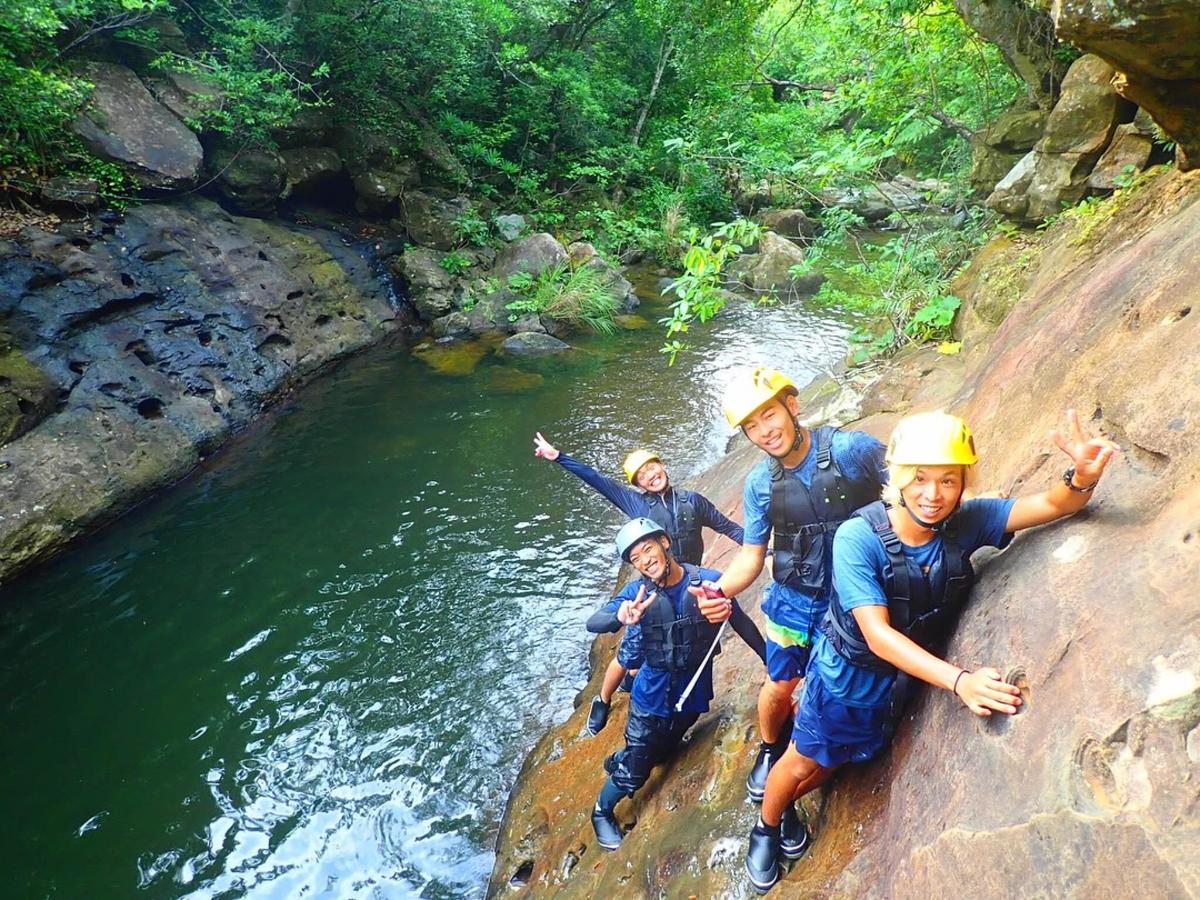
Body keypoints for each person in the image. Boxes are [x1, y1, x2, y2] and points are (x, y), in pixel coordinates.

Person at [744, 409, 1119, 892]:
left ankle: (789, 804)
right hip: (846, 678)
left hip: (897, 681)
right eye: (919, 479)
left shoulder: (967, 521)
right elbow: (877, 634)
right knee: (803, 760)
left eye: (948, 480)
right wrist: (960, 681)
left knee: (838, 760)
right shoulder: (858, 538)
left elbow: (1051, 505)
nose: (933, 494)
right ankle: (768, 824)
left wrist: (1081, 478)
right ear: (897, 477)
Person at [706, 367, 888, 803]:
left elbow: (906, 486)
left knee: (835, 686)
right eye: (752, 426)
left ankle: (809, 757)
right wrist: (718, 592)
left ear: (792, 405)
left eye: (769, 415)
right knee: (779, 684)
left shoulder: (851, 450)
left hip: (851, 601)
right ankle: (770, 749)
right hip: (793, 601)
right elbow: (751, 556)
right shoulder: (760, 485)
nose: (764, 431)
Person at [534, 434, 745, 735]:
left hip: (686, 583)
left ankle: (660, 698)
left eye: (653, 466)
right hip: (652, 591)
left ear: (663, 466)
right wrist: (559, 457)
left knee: (685, 646)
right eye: (642, 474)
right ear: (638, 484)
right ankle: (603, 699)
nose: (651, 474)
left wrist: (761, 546)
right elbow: (597, 480)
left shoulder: (691, 501)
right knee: (630, 652)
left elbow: (726, 526)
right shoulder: (635, 503)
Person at [586, 517, 766, 850]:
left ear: (665, 543)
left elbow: (741, 623)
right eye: (635, 558)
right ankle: (601, 810)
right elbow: (593, 621)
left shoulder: (706, 582)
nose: (644, 560)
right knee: (637, 771)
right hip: (651, 698)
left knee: (665, 750)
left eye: (647, 549)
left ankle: (628, 754)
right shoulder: (635, 594)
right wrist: (619, 615)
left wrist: (771, 662)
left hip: (692, 691)